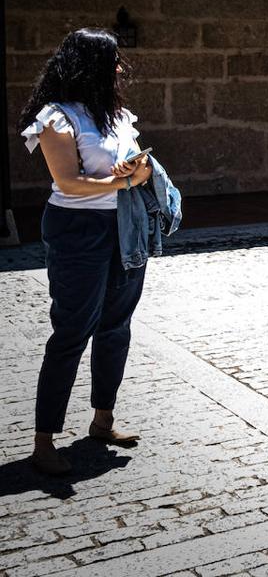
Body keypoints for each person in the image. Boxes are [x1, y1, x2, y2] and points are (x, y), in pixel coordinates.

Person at [18, 28, 153, 476]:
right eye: (112, 60)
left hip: (123, 227)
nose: (119, 69)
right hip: (77, 230)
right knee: (72, 331)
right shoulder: (56, 118)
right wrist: (125, 181)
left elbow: (142, 163)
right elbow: (70, 182)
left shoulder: (116, 115)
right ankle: (43, 442)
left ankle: (102, 421)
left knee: (116, 326)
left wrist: (137, 167)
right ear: (90, 65)